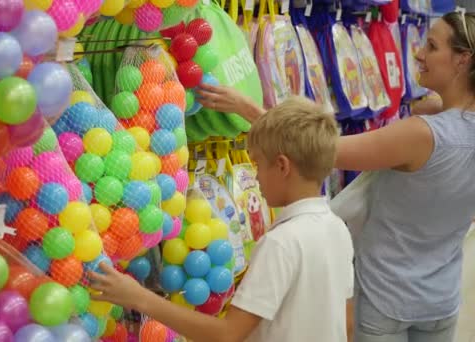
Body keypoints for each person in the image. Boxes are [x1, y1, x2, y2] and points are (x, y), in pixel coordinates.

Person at [195, 11, 475, 342]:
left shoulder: (422, 135)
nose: (417, 53)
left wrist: (249, 109)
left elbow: (318, 149)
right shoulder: (443, 126)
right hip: (441, 297)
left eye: (431, 46)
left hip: (388, 300)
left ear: (463, 60)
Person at [89, 97, 354, 342]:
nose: (256, 176)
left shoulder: (281, 243)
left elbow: (228, 334)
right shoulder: (336, 228)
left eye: (258, 164)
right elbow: (347, 321)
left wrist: (138, 298)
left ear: (282, 166)